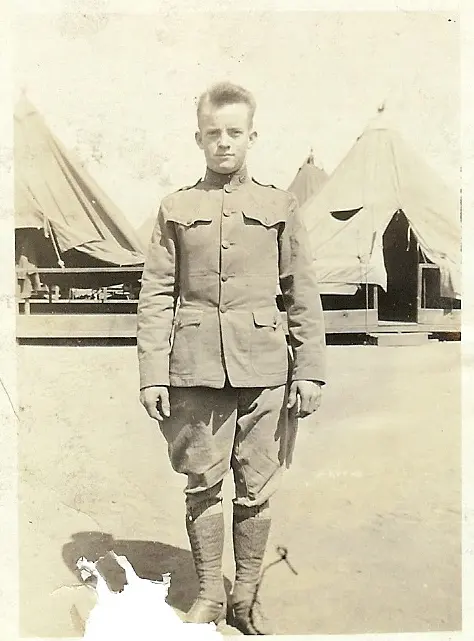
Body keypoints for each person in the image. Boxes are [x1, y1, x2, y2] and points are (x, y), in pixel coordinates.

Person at [137, 81, 326, 635]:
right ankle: (210, 600)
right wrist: (152, 374)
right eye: (213, 133)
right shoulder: (176, 208)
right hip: (194, 370)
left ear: (252, 136)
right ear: (198, 138)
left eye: (234, 133)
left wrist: (310, 368)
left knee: (257, 485)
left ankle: (245, 597)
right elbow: (154, 296)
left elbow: (301, 290)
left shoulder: (278, 204)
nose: (224, 143)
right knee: (201, 482)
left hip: (266, 369)